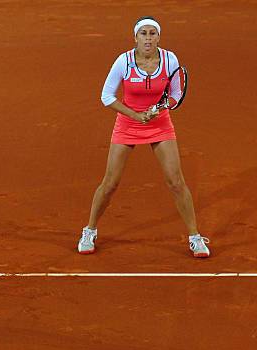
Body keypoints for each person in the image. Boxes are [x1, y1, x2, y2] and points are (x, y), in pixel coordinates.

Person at [77, 16, 209, 258]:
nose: (148, 38)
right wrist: (136, 116)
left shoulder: (170, 60)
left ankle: (195, 237)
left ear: (158, 36)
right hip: (127, 124)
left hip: (160, 124)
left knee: (176, 182)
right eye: (143, 34)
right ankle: (89, 230)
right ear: (135, 37)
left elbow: (175, 95)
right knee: (110, 184)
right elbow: (107, 96)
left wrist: (157, 110)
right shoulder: (123, 61)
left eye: (152, 33)